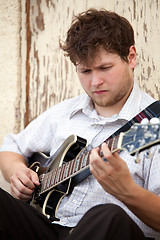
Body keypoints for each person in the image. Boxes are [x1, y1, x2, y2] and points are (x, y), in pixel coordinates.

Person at [0, 8, 160, 240]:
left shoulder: (153, 126)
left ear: (131, 57)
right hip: (49, 228)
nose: (95, 81)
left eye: (105, 68)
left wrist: (127, 191)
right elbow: (10, 148)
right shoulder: (66, 112)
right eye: (85, 71)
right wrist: (17, 173)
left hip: (105, 233)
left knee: (107, 216)